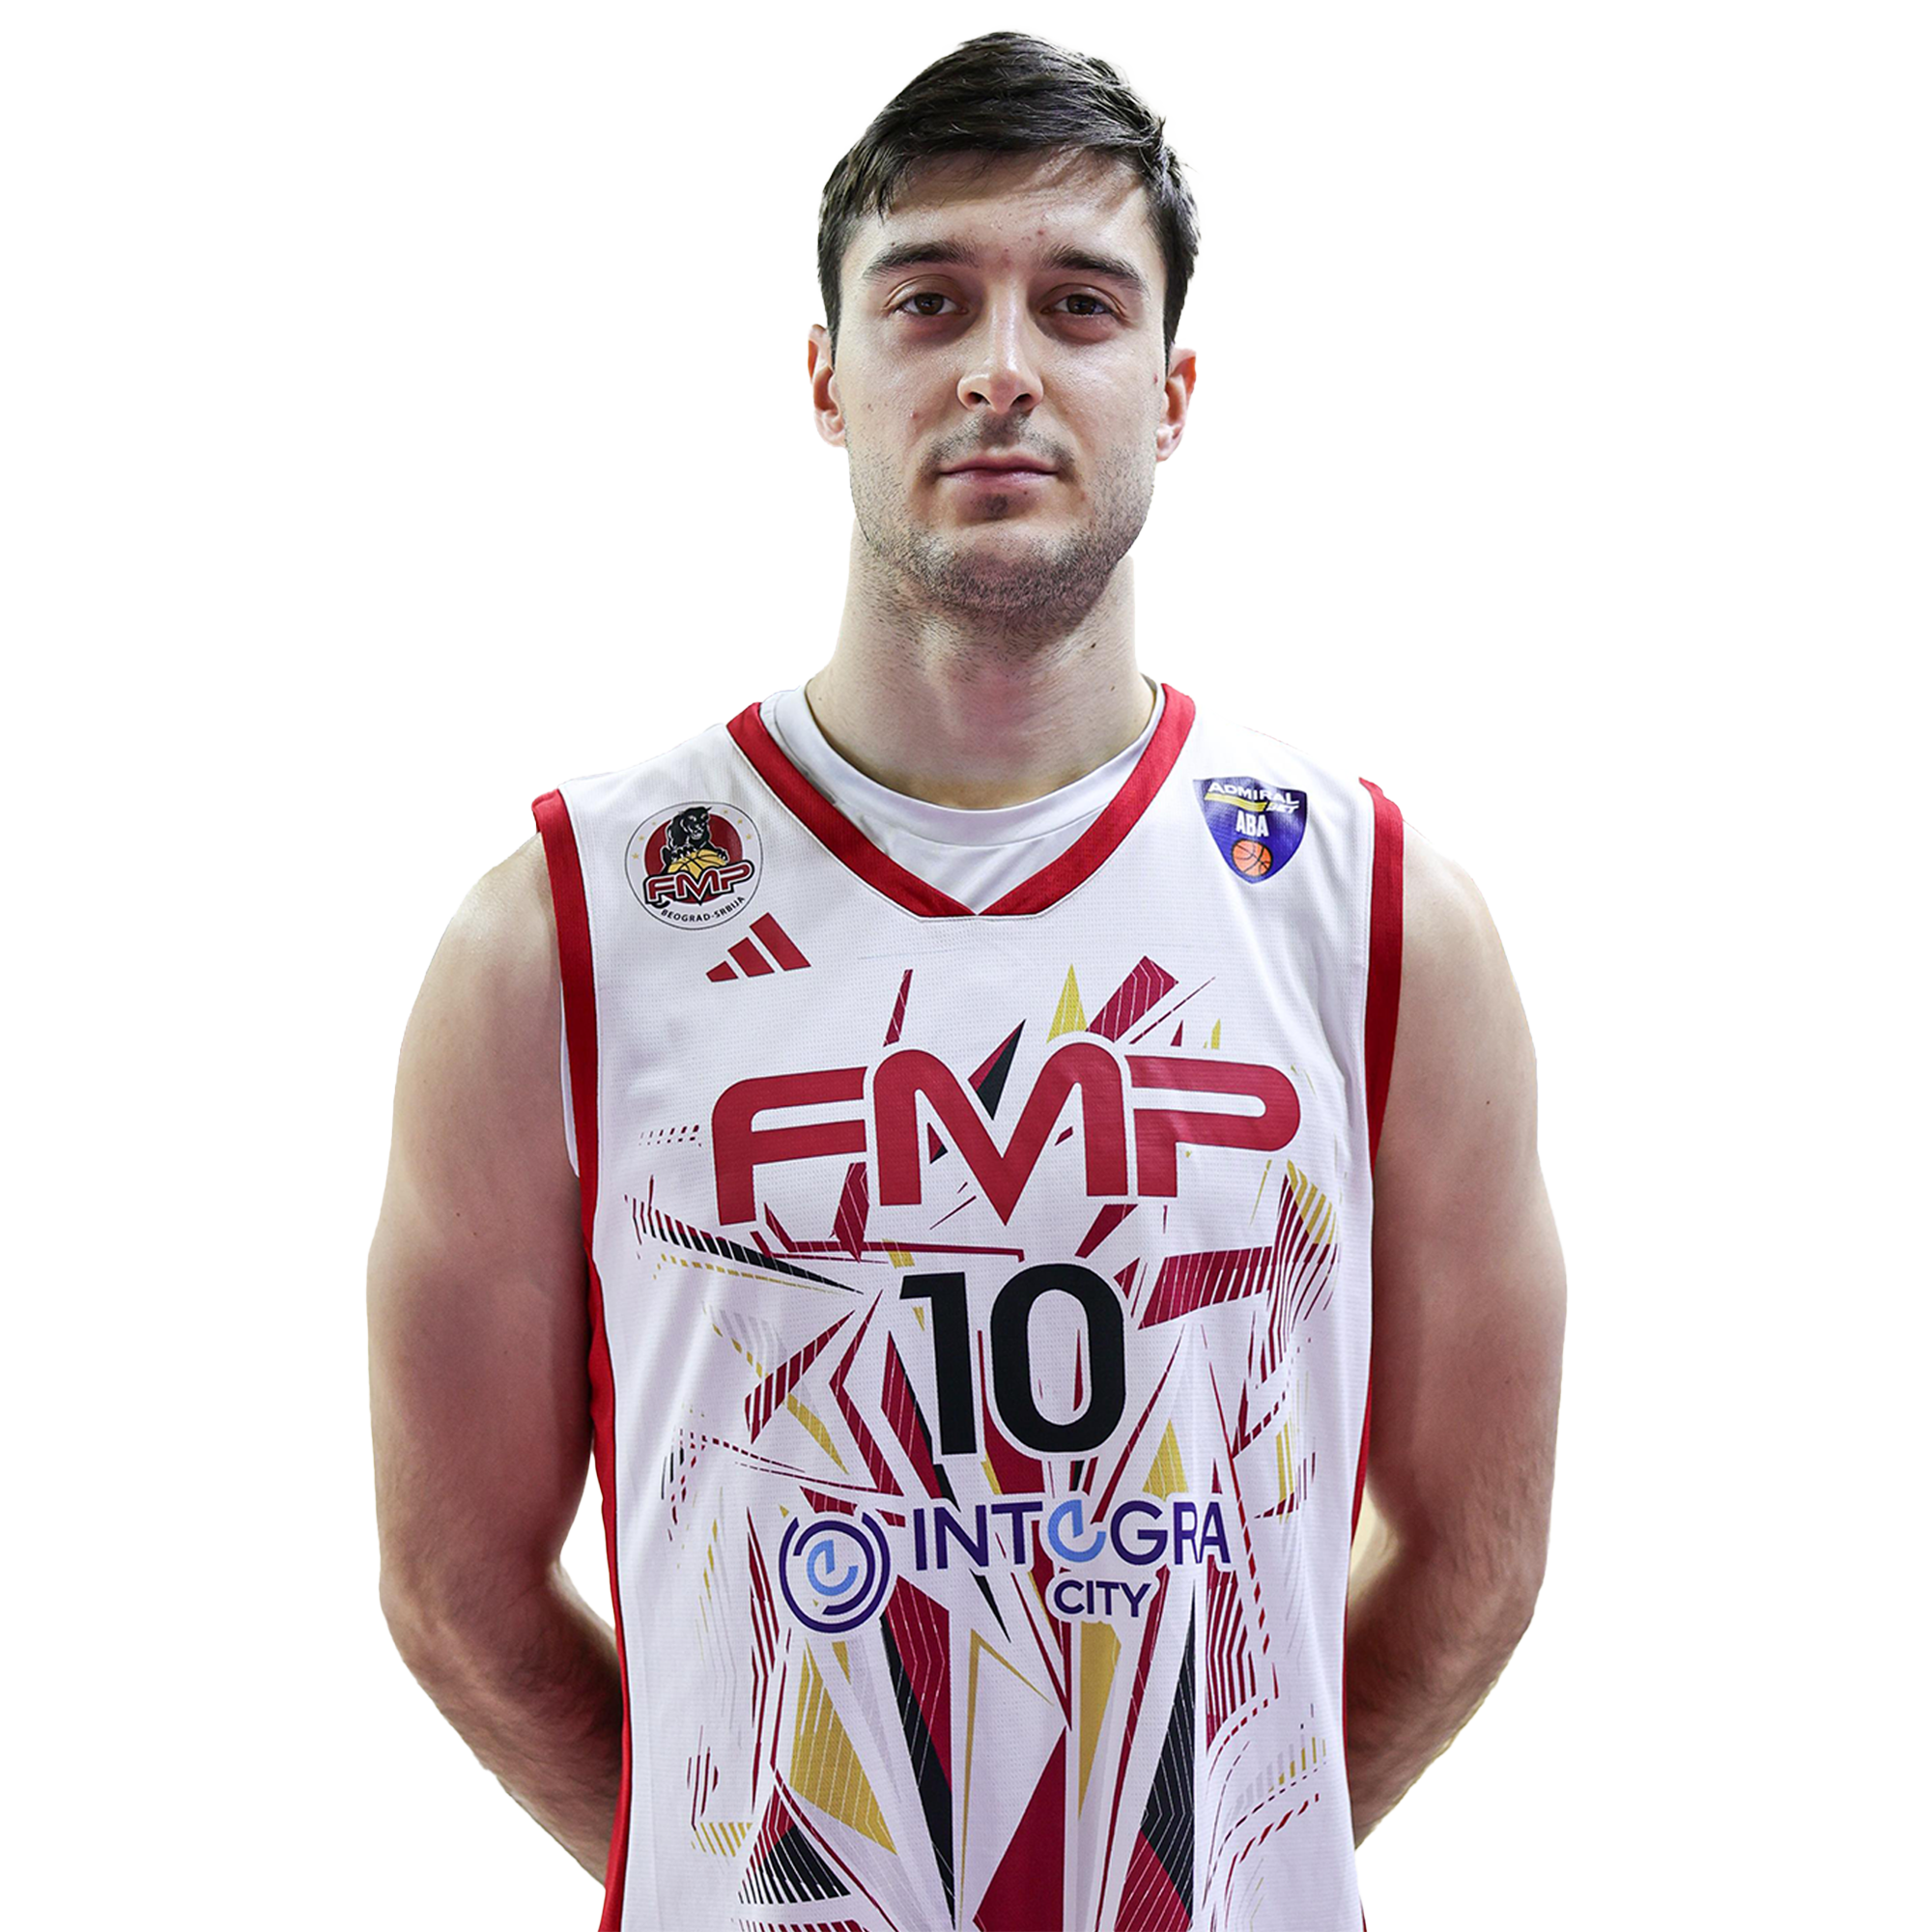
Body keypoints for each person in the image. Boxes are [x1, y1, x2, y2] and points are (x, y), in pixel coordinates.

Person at [367, 29, 1566, 1932]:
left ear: (1171, 390)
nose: (1004, 366)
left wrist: (1220, 1863)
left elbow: (1477, 1550)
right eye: (929, 299)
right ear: (827, 377)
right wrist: (750, 1882)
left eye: (1078, 304)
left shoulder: (1377, 918)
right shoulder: (563, 929)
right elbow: (454, 1587)